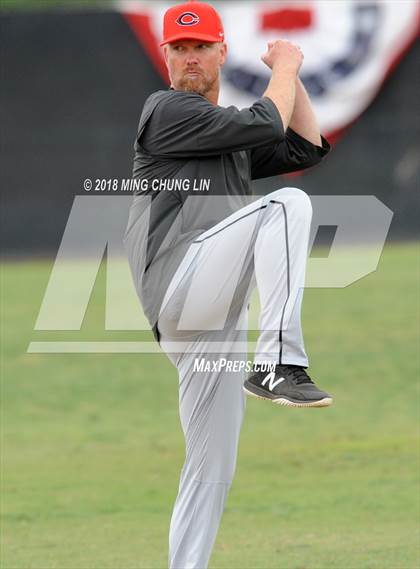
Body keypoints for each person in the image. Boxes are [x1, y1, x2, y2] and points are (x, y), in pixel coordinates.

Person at [124, 1, 333, 567]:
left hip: (210, 322)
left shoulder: (225, 135)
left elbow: (305, 146)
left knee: (211, 467)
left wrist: (292, 71)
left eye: (200, 47)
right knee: (286, 205)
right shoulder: (167, 110)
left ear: (221, 52)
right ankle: (280, 363)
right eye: (179, 49)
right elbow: (270, 120)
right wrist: (285, 67)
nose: (189, 59)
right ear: (165, 56)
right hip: (180, 287)